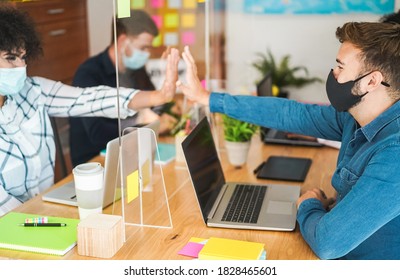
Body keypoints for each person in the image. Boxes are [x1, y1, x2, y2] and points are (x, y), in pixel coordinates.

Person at [177, 20, 400, 260]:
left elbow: (328, 244)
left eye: (340, 66)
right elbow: (292, 114)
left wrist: (309, 204)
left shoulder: (394, 153)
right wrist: (208, 98)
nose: (333, 74)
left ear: (371, 81)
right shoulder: (355, 118)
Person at [0, 5, 179, 216]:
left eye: (24, 58)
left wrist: (161, 96)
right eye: (11, 58)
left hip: (40, 216)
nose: (21, 67)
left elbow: (89, 98)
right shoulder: (89, 70)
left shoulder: (32, 90)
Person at [69, 10, 177, 166]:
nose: (147, 53)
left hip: (133, 152)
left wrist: (168, 110)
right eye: (143, 47)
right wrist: (139, 122)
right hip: (97, 163)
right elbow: (97, 133)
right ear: (122, 42)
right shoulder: (88, 74)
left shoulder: (135, 69)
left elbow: (153, 103)